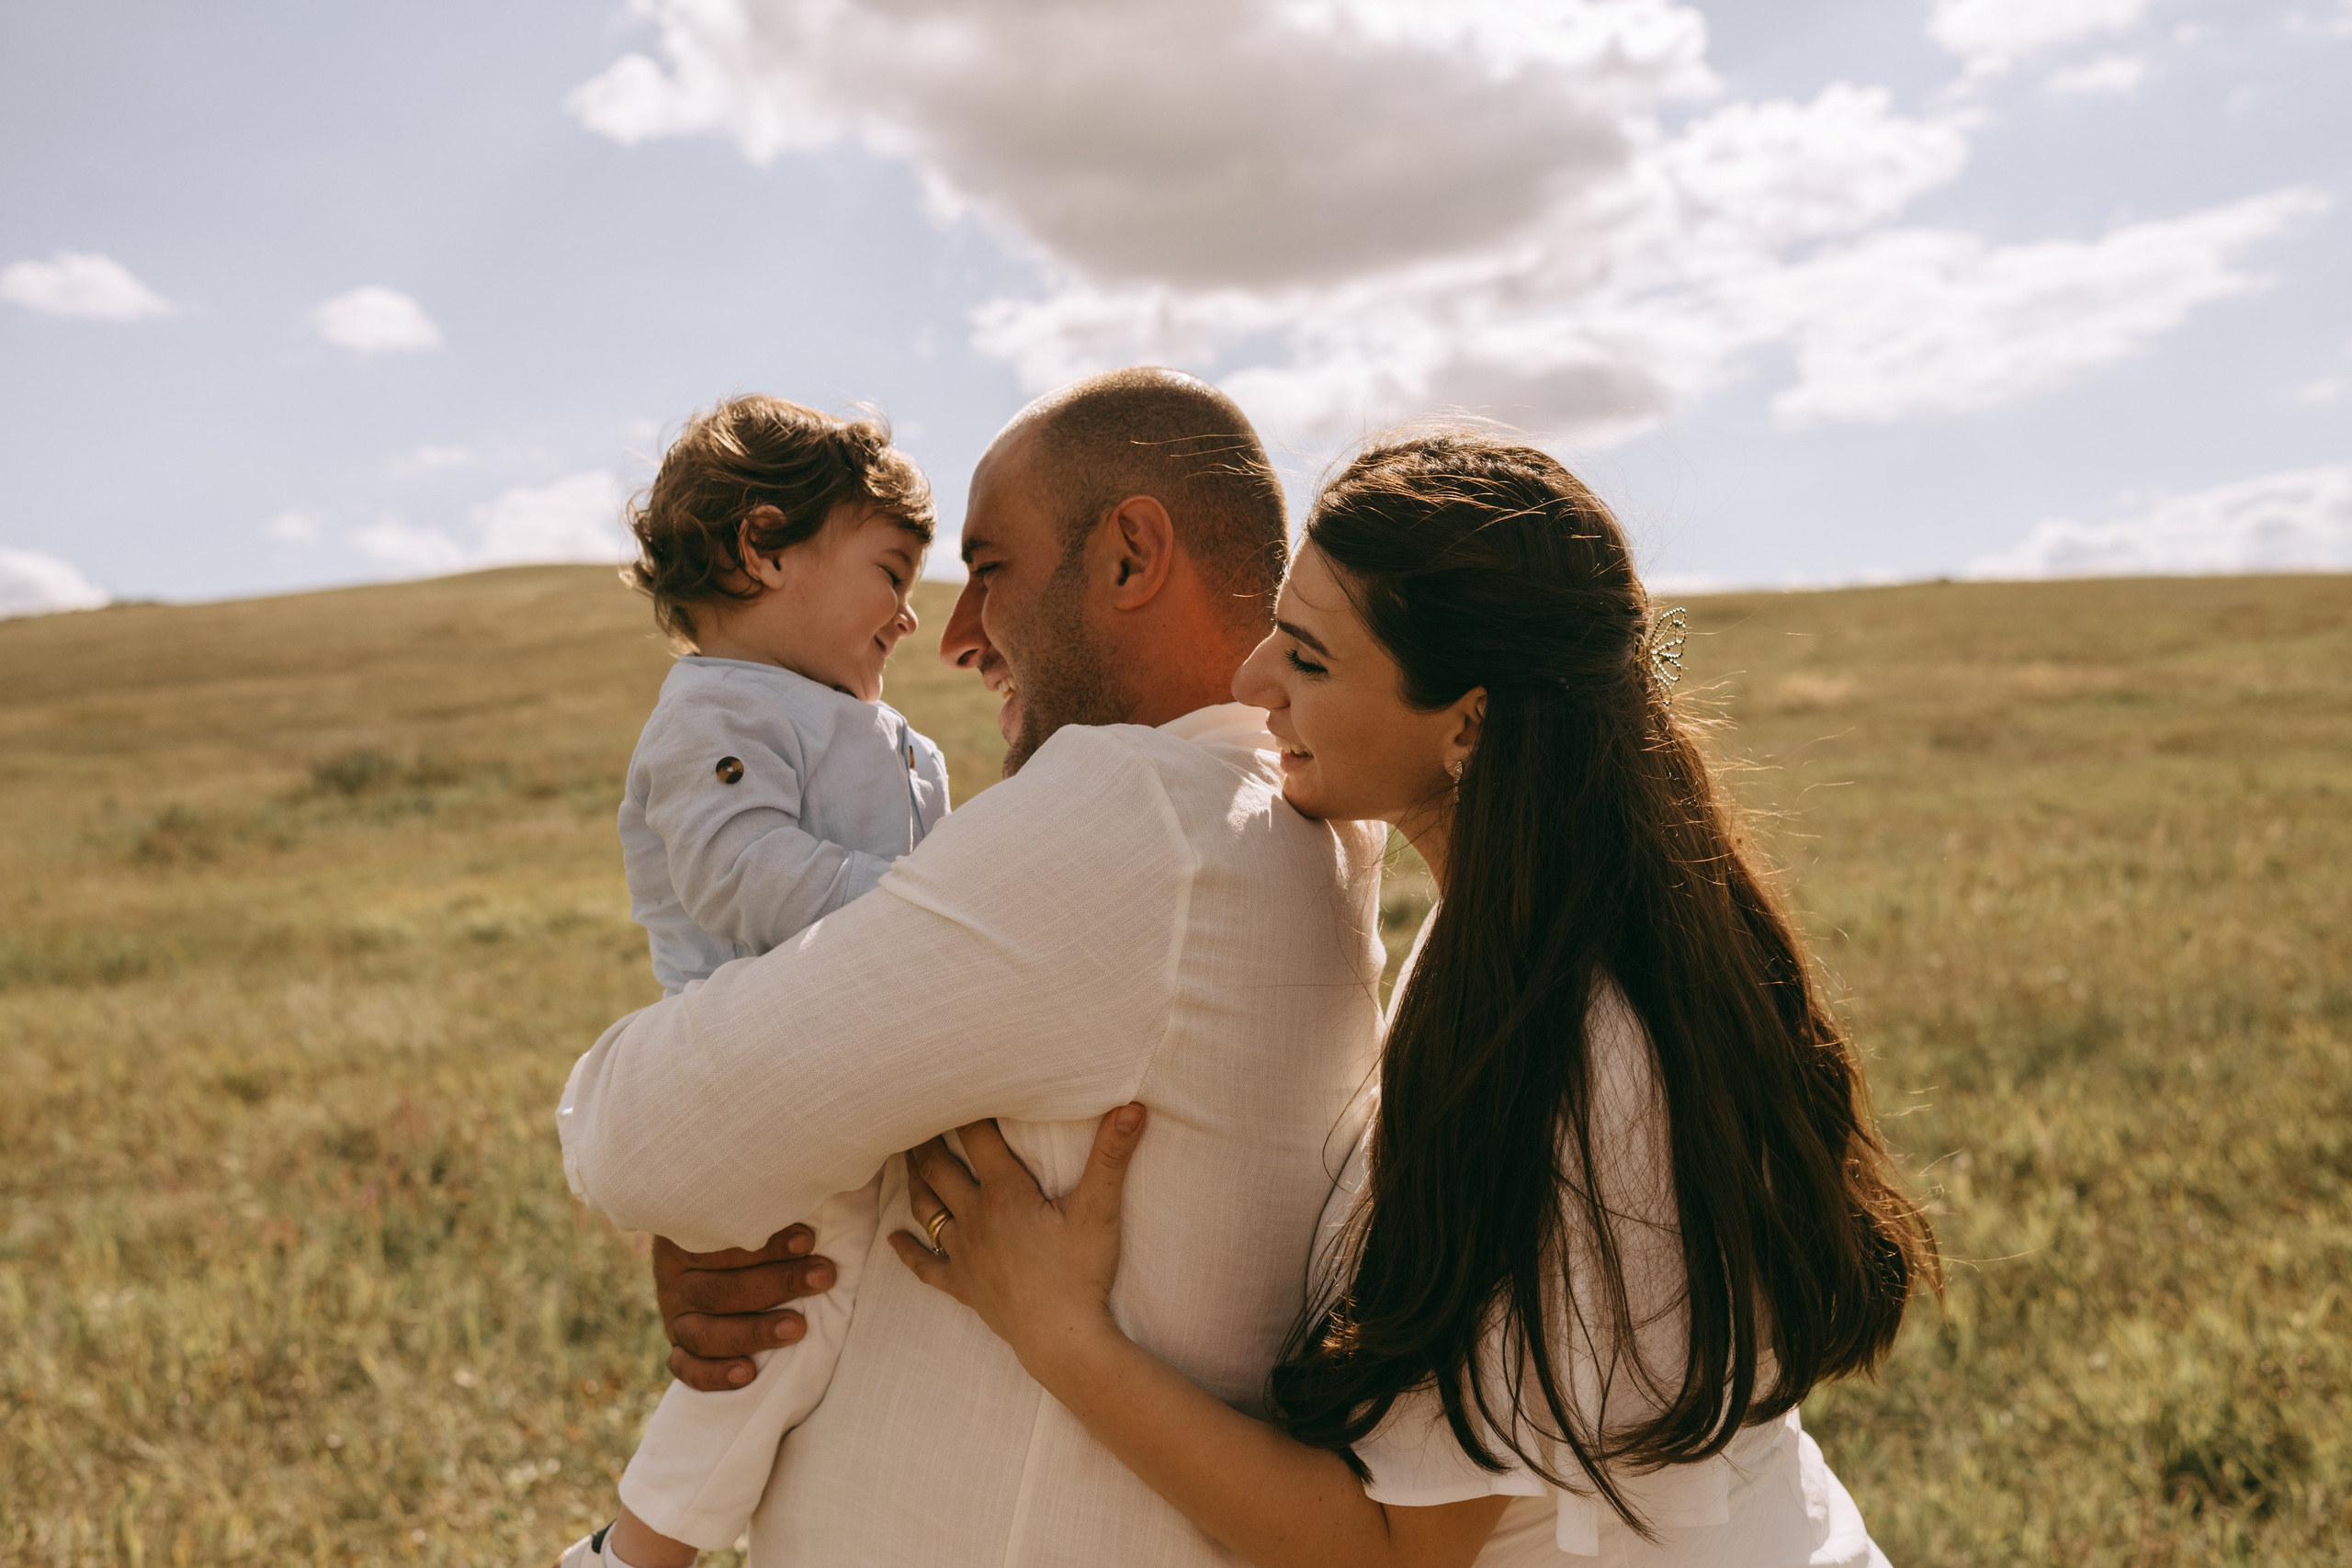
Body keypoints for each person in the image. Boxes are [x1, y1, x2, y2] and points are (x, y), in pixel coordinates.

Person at [888, 431, 1939, 1566]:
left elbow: (1391, 1554)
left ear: (1468, 722)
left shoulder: (1563, 1057)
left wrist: (1056, 1331)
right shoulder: (1568, 922)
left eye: (1309, 660)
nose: (1251, 683)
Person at [557, 367, 1391, 1566]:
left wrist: (716, 1183)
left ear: (1130, 557)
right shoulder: (1301, 830)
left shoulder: (1127, 813)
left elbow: (643, 1143)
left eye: (988, 569)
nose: (949, 636)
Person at [560, 396, 951, 1568]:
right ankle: (632, 1554)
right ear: (764, 549)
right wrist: (938, 910)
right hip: (758, 1059)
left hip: (851, 1060)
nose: (911, 614)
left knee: (841, 1321)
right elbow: (742, 874)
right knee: (790, 1325)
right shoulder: (721, 707)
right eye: (890, 573)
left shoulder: (887, 736)